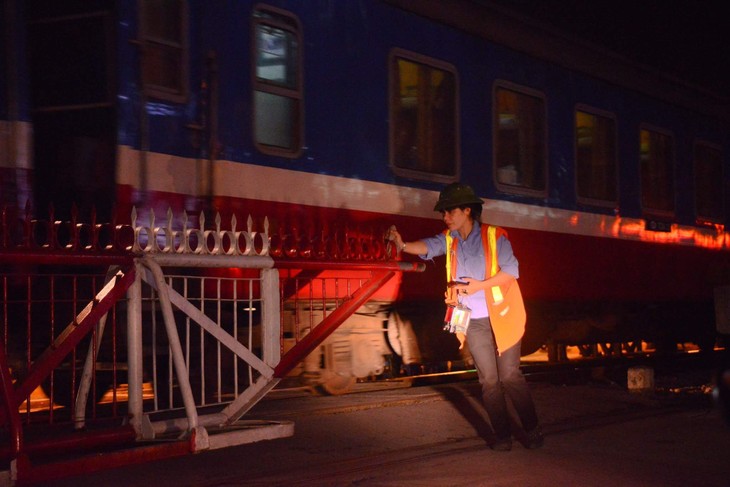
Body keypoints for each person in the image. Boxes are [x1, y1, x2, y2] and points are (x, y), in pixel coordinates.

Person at [387, 182, 543, 451]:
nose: (444, 217)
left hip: (504, 316)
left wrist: (479, 286)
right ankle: (503, 438)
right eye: (443, 213)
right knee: (489, 381)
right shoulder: (449, 239)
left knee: (510, 376)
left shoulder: (495, 236)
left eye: (449, 212)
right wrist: (401, 244)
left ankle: (532, 429)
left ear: (467, 211)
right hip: (474, 319)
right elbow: (426, 246)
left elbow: (512, 271)